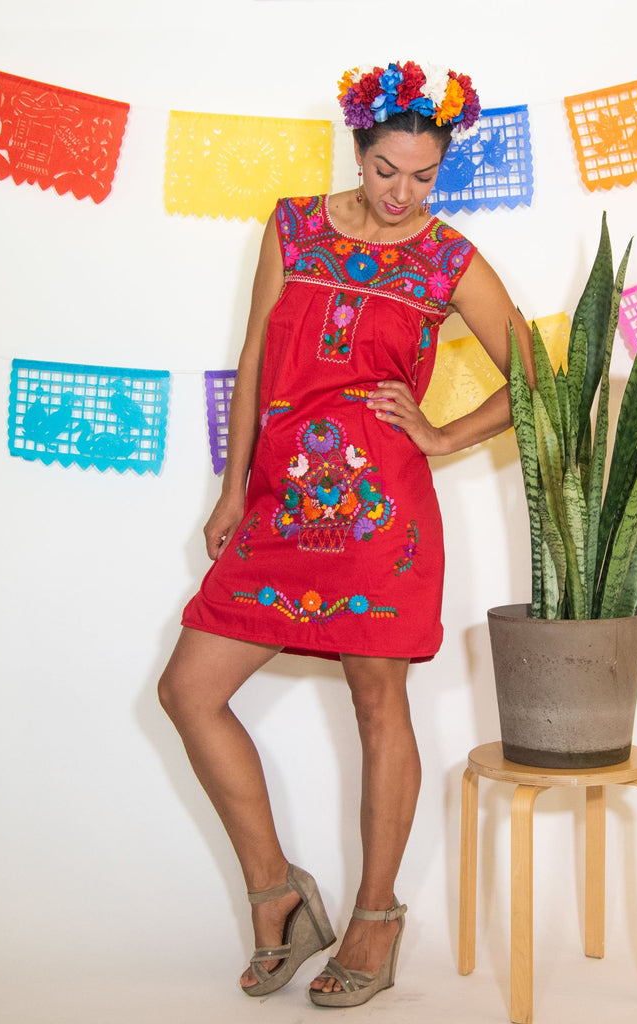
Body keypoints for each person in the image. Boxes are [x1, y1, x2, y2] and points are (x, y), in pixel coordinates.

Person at [158, 60, 531, 1008]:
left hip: (380, 516)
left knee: (378, 708)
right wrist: (234, 489)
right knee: (188, 690)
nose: (404, 194)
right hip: (278, 506)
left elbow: (533, 367)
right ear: (357, 153)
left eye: (423, 176)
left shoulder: (449, 258)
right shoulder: (289, 226)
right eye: (385, 171)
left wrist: (443, 436)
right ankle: (277, 888)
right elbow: (253, 361)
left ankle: (375, 917)